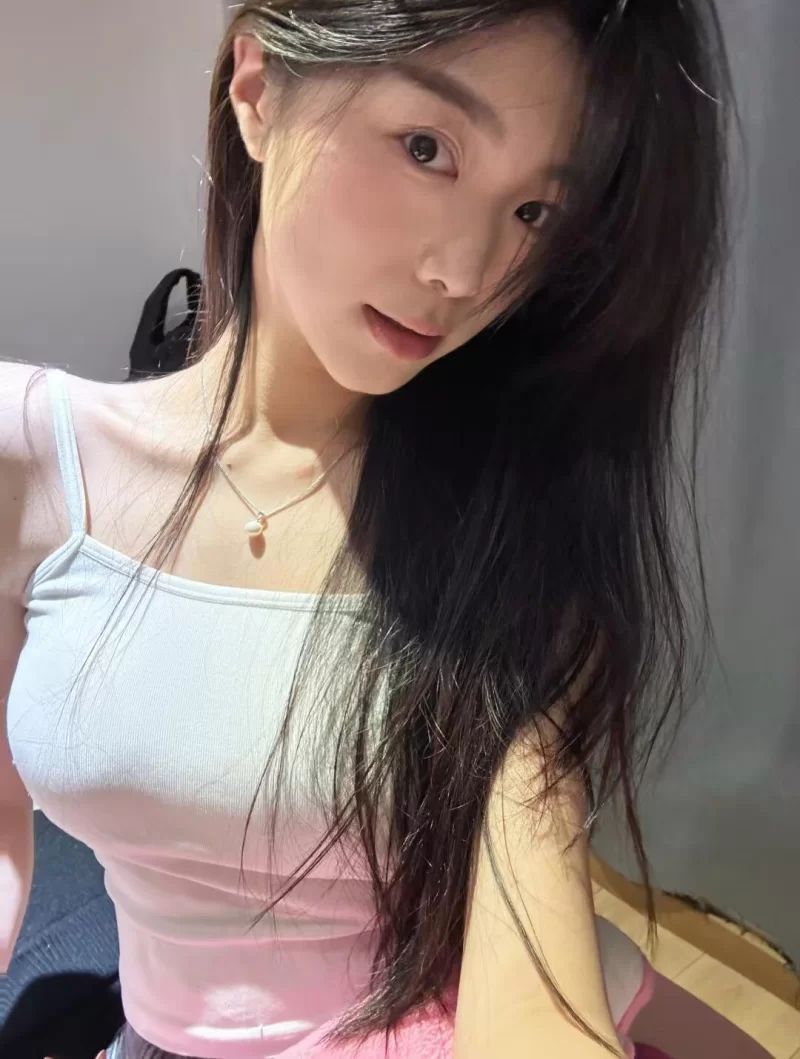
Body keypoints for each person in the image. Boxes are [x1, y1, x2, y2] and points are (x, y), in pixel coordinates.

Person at [0, 2, 735, 1057]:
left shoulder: (504, 530)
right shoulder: (34, 453)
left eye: (534, 213)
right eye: (427, 147)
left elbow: (528, 948)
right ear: (257, 89)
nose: (465, 272)